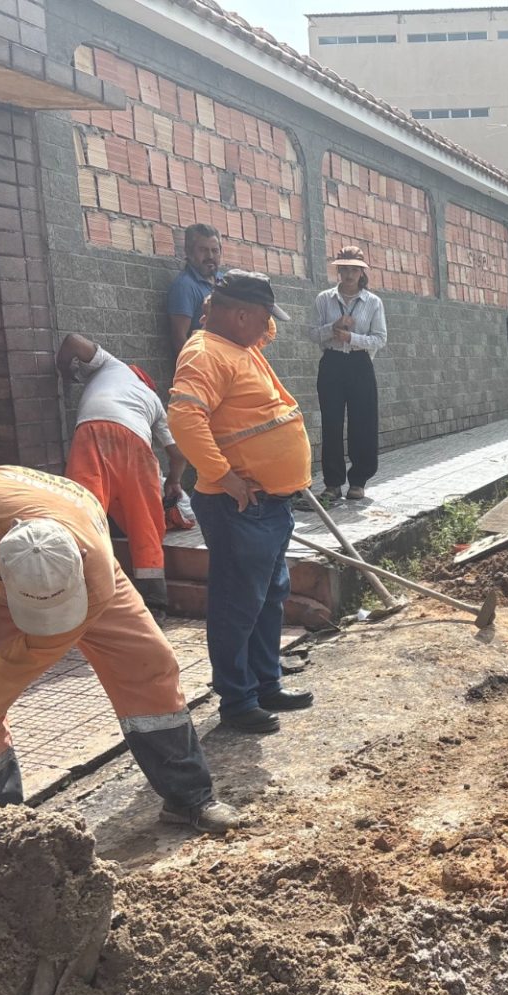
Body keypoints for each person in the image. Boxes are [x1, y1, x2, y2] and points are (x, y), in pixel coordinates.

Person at [0, 464, 240, 832]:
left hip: (87, 576)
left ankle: (188, 797)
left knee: (147, 663)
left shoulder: (94, 573)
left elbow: (9, 676)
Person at [168, 270, 315, 735]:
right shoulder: (206, 352)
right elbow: (184, 419)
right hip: (239, 505)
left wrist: (252, 314)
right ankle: (237, 699)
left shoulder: (240, 344)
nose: (270, 327)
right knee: (238, 603)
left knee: (269, 595)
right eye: (264, 317)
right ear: (240, 315)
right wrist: (224, 477)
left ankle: (265, 682)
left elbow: (259, 328)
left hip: (268, 504)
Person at [59, 333, 186, 616]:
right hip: (136, 444)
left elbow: (71, 342)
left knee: (83, 516)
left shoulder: (110, 365)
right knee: (146, 524)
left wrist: (64, 373)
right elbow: (177, 454)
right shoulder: (152, 400)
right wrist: (174, 482)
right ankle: (154, 604)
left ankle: (80, 598)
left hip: (92, 434)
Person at [309, 246, 388, 503]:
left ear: (362, 272)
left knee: (362, 422)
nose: (349, 273)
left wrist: (352, 337)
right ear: (338, 271)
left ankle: (358, 481)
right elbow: (311, 333)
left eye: (355, 269)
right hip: (332, 363)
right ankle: (332, 483)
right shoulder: (324, 299)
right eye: (344, 268)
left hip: (359, 364)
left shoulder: (373, 302)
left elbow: (380, 339)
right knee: (331, 423)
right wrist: (332, 329)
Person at [167, 223, 221, 358]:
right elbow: (179, 338)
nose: (210, 256)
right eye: (203, 250)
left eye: (215, 250)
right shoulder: (184, 286)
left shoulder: (225, 281)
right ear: (189, 252)